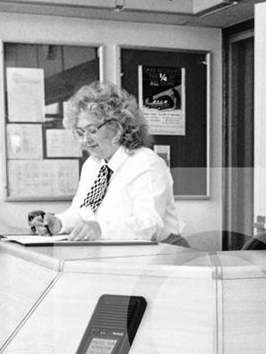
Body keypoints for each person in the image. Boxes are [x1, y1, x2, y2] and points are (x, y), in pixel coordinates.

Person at [30, 81, 184, 242]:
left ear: (117, 128)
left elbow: (149, 225)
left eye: (92, 130)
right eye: (80, 132)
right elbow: (82, 211)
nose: (85, 140)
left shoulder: (146, 162)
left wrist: (101, 229)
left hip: (163, 253)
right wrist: (59, 223)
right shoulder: (92, 165)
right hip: (117, 254)